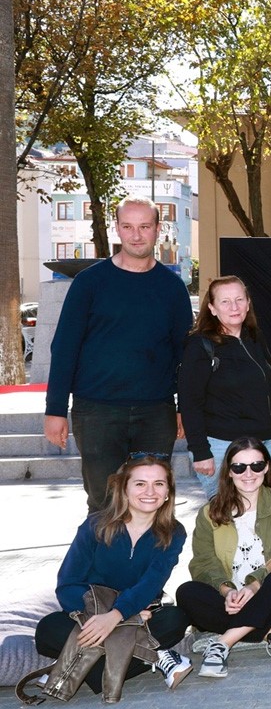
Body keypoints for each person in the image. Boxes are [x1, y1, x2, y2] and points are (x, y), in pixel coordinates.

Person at [44, 198, 193, 513]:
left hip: (156, 413)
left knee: (153, 504)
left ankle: (150, 564)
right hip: (97, 411)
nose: (136, 235)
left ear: (157, 229)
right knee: (103, 504)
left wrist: (186, 407)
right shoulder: (90, 283)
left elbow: (186, 354)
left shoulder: (172, 288)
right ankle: (103, 563)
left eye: (144, 226)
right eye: (128, 227)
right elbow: (64, 346)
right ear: (117, 229)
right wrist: (55, 408)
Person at [34, 454, 191, 694]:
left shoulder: (173, 533)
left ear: (168, 491)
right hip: (91, 613)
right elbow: (67, 583)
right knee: (47, 630)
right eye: (140, 483)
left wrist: (118, 615)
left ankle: (81, 667)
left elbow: (151, 583)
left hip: (138, 610)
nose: (150, 491)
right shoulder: (95, 525)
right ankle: (157, 657)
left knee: (175, 619)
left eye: (159, 484)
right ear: (124, 489)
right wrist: (104, 617)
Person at [176, 438, 271, 678]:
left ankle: (222, 644)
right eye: (239, 467)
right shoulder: (210, 512)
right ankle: (270, 634)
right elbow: (203, 563)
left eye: (256, 465)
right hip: (229, 603)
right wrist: (227, 592)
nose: (248, 473)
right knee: (186, 592)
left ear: (267, 467)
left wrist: (254, 586)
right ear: (228, 471)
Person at [179, 276, 271, 498]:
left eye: (239, 299)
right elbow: (190, 403)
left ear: (248, 303)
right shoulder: (200, 346)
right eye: (225, 301)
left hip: (267, 444)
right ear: (212, 308)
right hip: (222, 448)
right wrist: (199, 451)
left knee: (264, 516)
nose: (234, 307)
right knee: (226, 519)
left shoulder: (255, 338)